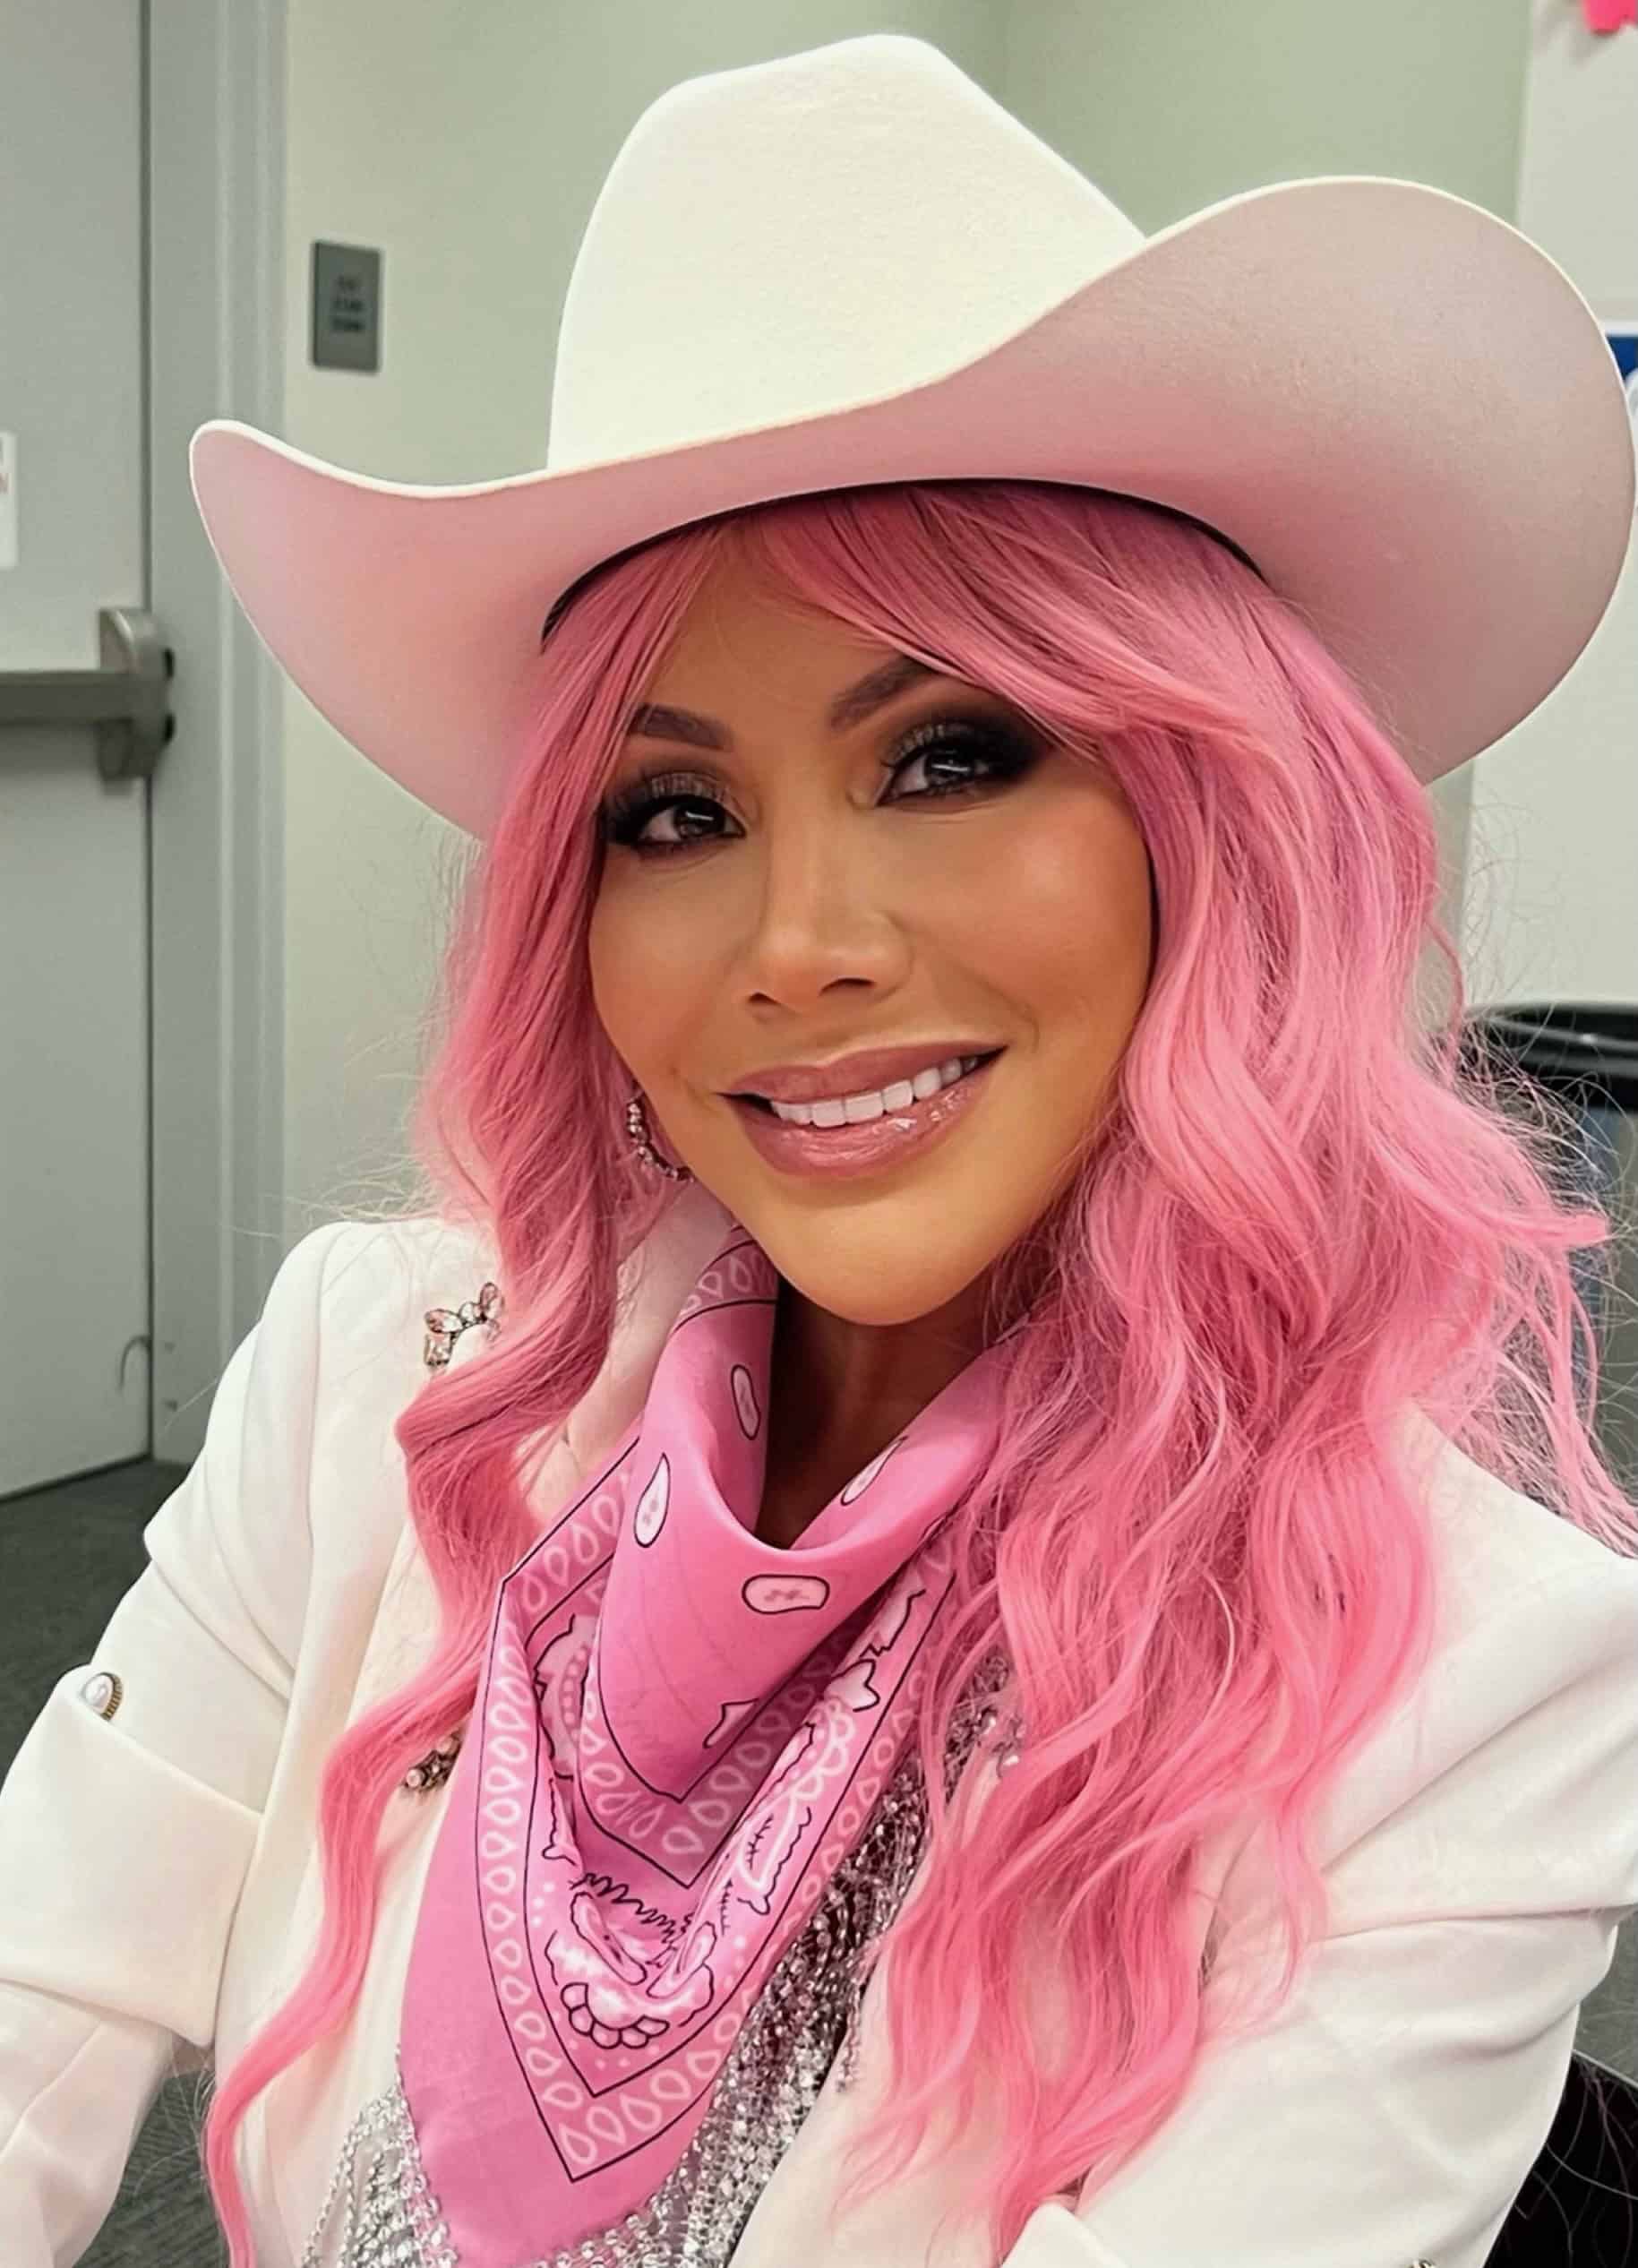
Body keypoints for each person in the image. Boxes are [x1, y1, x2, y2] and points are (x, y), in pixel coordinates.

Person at [3, 31, 1637, 2268]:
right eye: (672, 814)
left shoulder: (1470, 1681)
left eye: (954, 757)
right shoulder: (380, 1375)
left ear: (1208, 825)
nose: (800, 949)